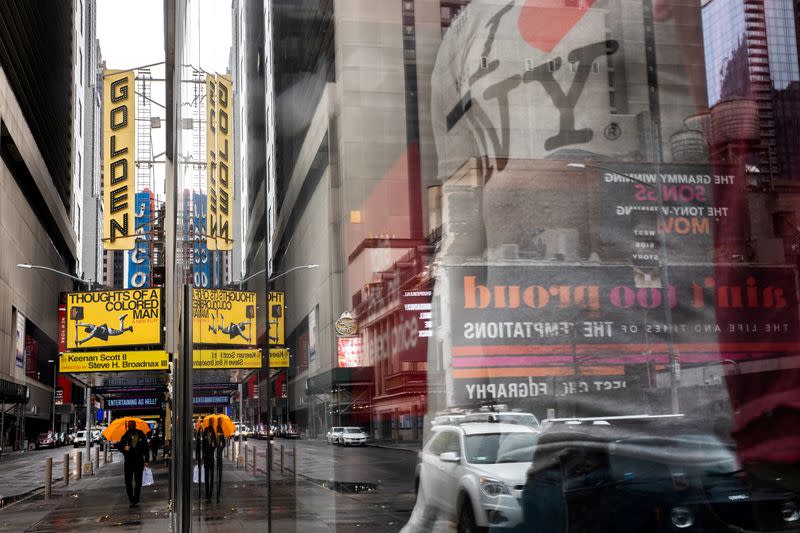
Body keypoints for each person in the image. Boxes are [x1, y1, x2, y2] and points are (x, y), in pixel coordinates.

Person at [116, 420, 149, 508]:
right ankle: (131, 499)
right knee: (128, 482)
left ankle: (136, 498)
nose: (131, 427)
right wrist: (124, 448)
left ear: (135, 425)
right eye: (130, 425)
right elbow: (119, 446)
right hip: (129, 462)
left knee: (138, 481)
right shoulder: (125, 436)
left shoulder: (141, 434)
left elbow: (146, 447)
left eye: (132, 425)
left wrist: (146, 460)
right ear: (127, 426)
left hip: (139, 461)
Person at [202, 422, 217, 502]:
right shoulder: (204, 434)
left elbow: (216, 445)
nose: (209, 433)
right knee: (207, 477)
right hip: (206, 459)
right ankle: (207, 493)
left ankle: (210, 493)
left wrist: (213, 445)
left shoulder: (214, 435)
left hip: (211, 458)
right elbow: (203, 446)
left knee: (211, 477)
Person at [214, 418, 226, 503]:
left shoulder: (220, 428)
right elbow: (219, 438)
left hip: (219, 447)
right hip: (218, 447)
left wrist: (222, 443)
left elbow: (222, 439)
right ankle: (219, 467)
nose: (221, 422)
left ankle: (219, 467)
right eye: (220, 421)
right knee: (219, 457)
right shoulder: (218, 428)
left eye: (221, 421)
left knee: (219, 457)